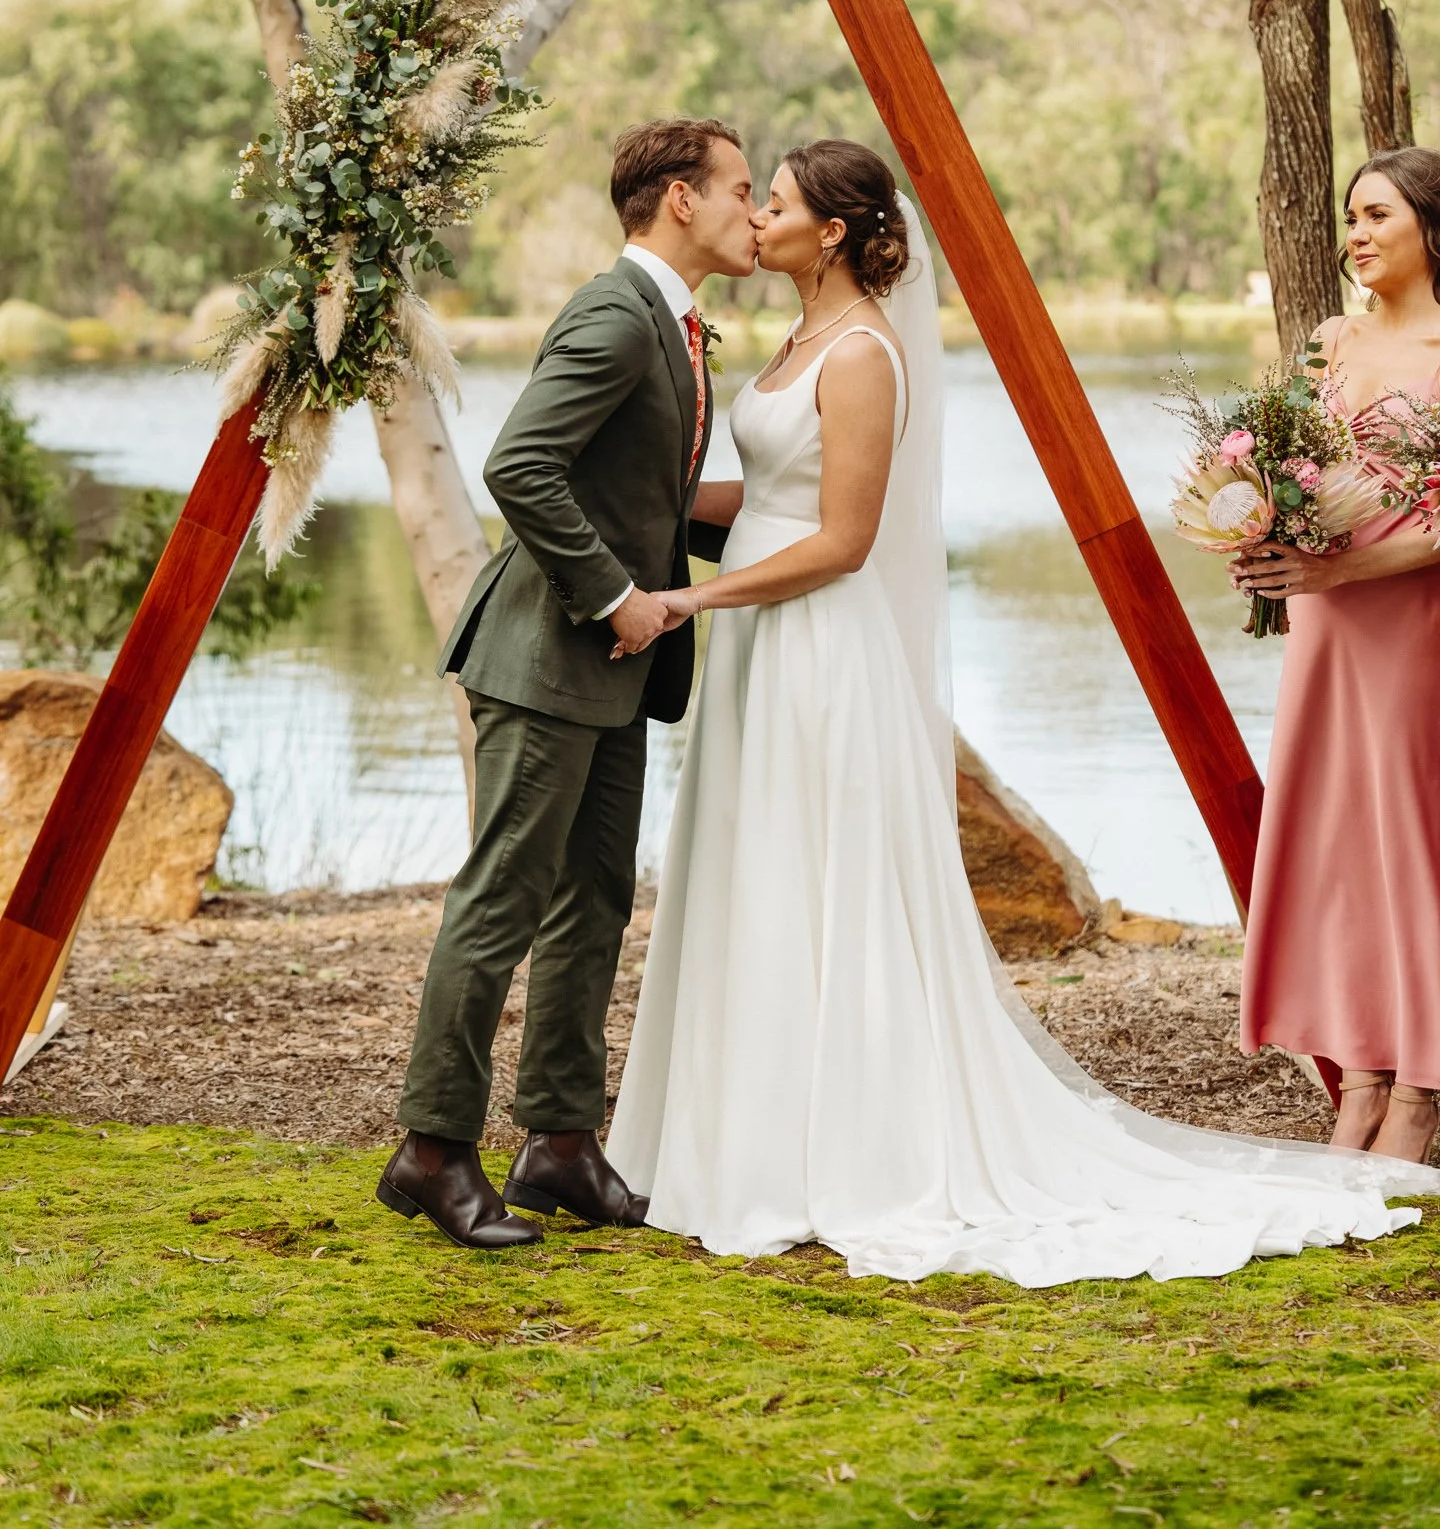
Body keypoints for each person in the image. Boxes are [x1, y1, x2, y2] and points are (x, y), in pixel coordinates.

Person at [605, 137, 1439, 1286]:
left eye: (777, 203)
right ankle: (739, 1127)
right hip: (762, 647)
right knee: (757, 875)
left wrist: (685, 595)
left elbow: (843, 539)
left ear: (834, 230)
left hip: (816, 646)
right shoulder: (799, 336)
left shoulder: (861, 353)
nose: (755, 220)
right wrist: (630, 496)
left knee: (825, 885)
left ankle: (1409, 1084)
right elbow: (773, 494)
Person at [378, 117, 757, 1248]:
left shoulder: (675, 327)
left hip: (614, 675)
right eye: (741, 186)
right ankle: (434, 1149)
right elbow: (518, 466)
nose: (753, 207)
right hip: (550, 657)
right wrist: (615, 596)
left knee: (594, 903)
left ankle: (557, 1143)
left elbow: (641, 491)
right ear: (678, 200)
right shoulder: (616, 313)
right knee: (501, 901)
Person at [1238, 146, 1440, 1165]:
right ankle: (1359, 1081)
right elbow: (1294, 464)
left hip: (1411, 620)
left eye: (1377, 216)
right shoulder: (1332, 340)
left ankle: (1420, 1092)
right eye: (1352, 218)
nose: (1356, 235)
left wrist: (1334, 576)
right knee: (1336, 835)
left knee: (1406, 835)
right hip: (1322, 620)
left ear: (1429, 229)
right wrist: (1259, 536)